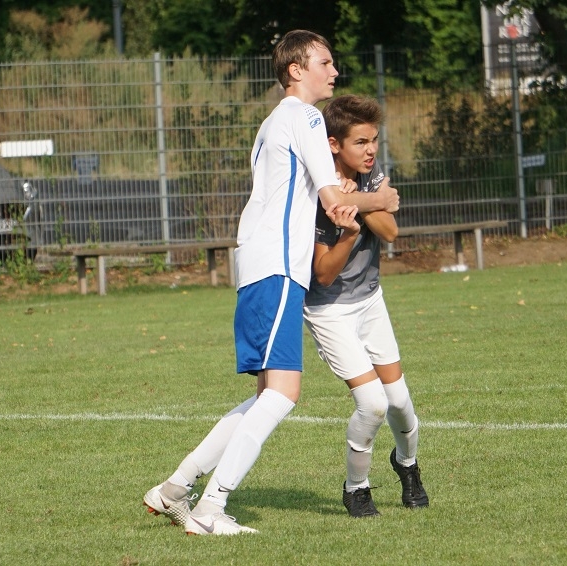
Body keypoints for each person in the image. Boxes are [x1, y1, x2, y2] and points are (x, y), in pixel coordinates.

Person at [142, 30, 399, 535]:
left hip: (262, 266)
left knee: (267, 396)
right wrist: (380, 201)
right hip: (278, 267)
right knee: (283, 395)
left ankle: (174, 488)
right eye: (325, 62)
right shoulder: (305, 116)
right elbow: (333, 200)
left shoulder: (274, 122)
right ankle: (211, 509)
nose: (334, 71)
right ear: (296, 71)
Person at [303, 94, 429, 517]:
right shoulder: (315, 189)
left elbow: (390, 232)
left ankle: (407, 464)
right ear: (333, 144)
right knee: (373, 403)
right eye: (360, 142)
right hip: (328, 309)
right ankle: (356, 487)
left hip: (370, 300)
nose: (371, 150)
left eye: (374, 140)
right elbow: (323, 274)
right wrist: (350, 230)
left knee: (400, 401)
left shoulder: (367, 174)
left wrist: (359, 199)